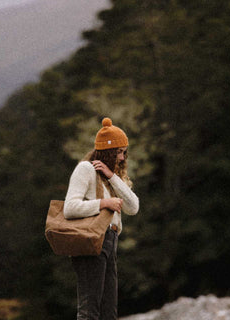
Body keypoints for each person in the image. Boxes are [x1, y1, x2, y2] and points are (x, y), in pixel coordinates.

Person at [64, 117, 139, 320]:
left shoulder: (110, 177)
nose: (123, 158)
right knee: (90, 311)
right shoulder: (86, 169)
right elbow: (69, 208)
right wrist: (104, 204)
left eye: (124, 152)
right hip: (92, 241)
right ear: (107, 151)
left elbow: (133, 207)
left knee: (109, 313)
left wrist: (113, 176)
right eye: (119, 152)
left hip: (110, 242)